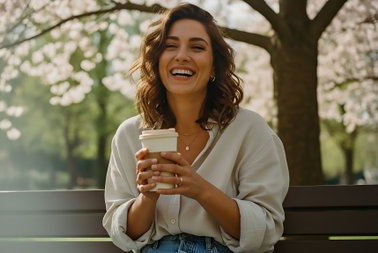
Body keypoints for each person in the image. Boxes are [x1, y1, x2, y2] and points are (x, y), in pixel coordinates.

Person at [103, 3, 289, 253]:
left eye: (197, 47)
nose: (182, 55)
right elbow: (124, 234)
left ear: (214, 67)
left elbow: (265, 229)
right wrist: (147, 197)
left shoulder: (249, 130)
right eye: (170, 46)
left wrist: (200, 189)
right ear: (158, 60)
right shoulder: (129, 135)